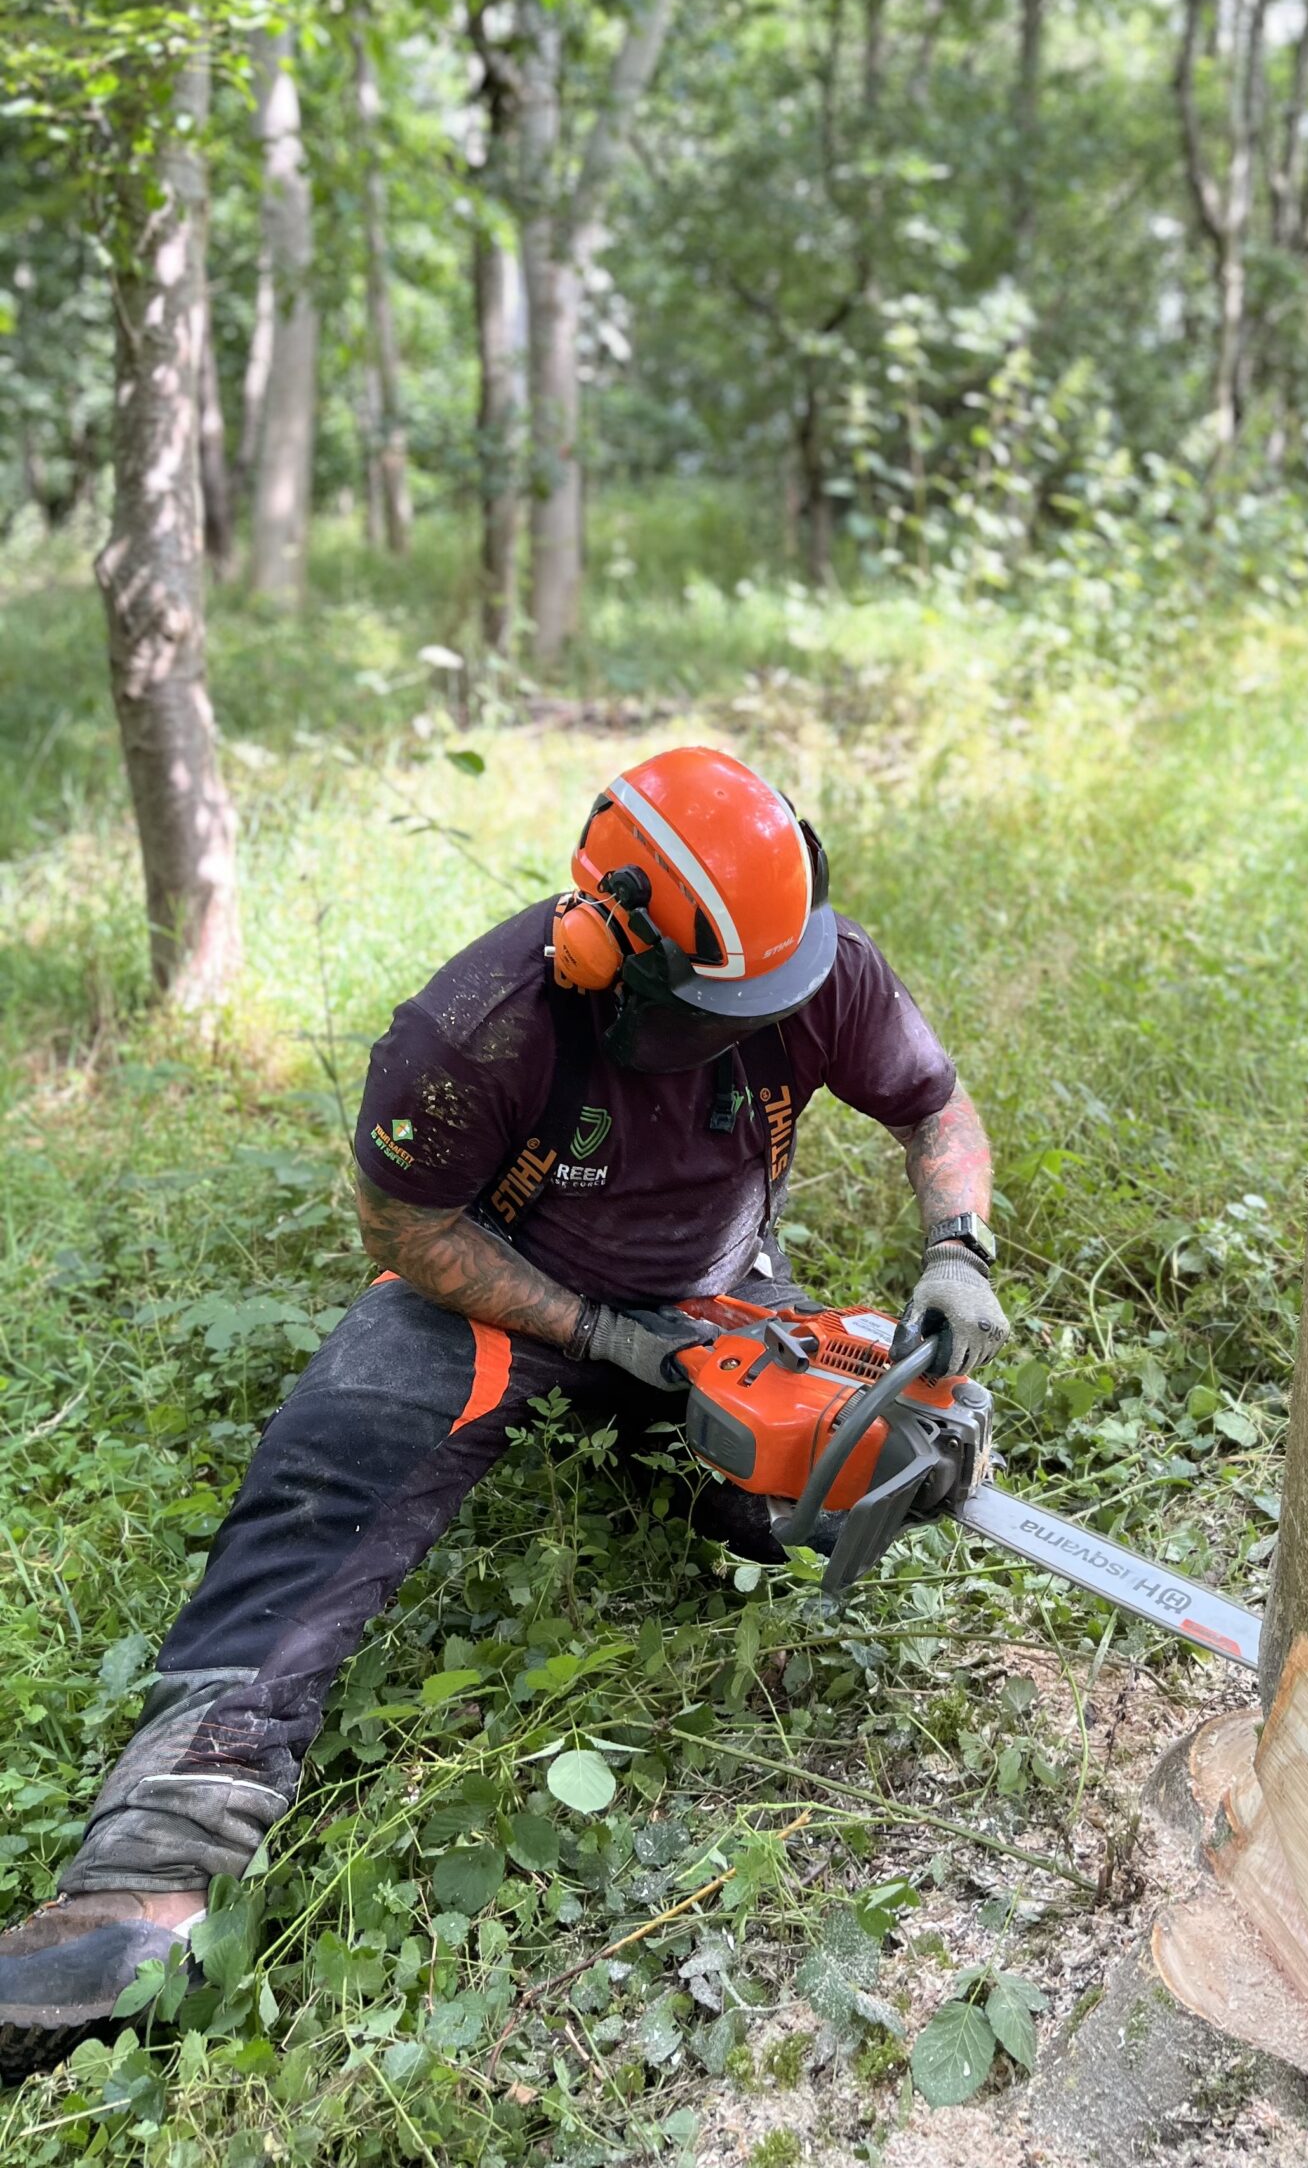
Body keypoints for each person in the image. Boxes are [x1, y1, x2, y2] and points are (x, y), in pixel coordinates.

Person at [0, 746, 1006, 2080]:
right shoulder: (478, 1029)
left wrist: (960, 1248)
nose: (753, 1023)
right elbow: (405, 1221)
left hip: (717, 1303)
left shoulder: (813, 971)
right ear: (612, 950)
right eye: (718, 1005)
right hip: (497, 1294)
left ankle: (743, 1458)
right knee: (329, 1473)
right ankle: (157, 1858)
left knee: (808, 1491)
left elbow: (932, 1102)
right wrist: (592, 1334)